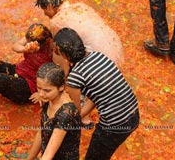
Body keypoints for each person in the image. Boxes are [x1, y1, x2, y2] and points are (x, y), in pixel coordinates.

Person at [54, 28, 139, 160]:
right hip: (133, 115)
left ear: (63, 53)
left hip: (114, 125)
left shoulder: (75, 77)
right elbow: (96, 97)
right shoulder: (98, 55)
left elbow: (75, 111)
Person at [35, 0, 124, 70]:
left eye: (44, 10)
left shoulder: (56, 21)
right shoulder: (81, 6)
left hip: (99, 61)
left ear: (49, 6)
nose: (45, 14)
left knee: (58, 52)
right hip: (117, 50)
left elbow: (60, 51)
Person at [0, 23, 53, 104]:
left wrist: (42, 93)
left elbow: (60, 76)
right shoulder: (34, 35)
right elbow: (16, 46)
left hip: (30, 85)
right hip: (19, 70)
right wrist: (25, 49)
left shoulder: (53, 50)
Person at [28, 62, 81, 160]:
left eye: (47, 90)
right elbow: (42, 132)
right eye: (39, 88)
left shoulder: (66, 113)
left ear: (61, 87)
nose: (41, 94)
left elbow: (49, 154)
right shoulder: (47, 99)